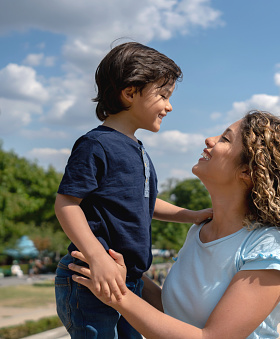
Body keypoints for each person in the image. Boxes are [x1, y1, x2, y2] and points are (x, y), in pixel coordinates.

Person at [68, 110, 280, 339]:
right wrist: (119, 274)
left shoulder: (268, 244)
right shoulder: (199, 230)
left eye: (225, 139)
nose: (209, 140)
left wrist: (117, 294)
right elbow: (172, 317)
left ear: (247, 171)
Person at [54, 42, 213, 339]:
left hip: (128, 278)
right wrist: (97, 257)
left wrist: (193, 215)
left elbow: (145, 203)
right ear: (129, 93)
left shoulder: (137, 149)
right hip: (93, 277)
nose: (169, 106)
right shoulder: (96, 145)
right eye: (163, 95)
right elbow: (66, 202)